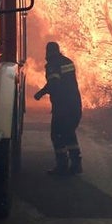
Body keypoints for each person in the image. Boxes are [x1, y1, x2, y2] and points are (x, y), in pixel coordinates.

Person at [32, 41, 83, 176]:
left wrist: (40, 93)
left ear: (48, 52)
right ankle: (76, 164)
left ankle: (62, 166)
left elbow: (54, 83)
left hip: (63, 106)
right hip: (75, 104)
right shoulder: (68, 61)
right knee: (69, 133)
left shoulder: (52, 65)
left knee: (57, 135)